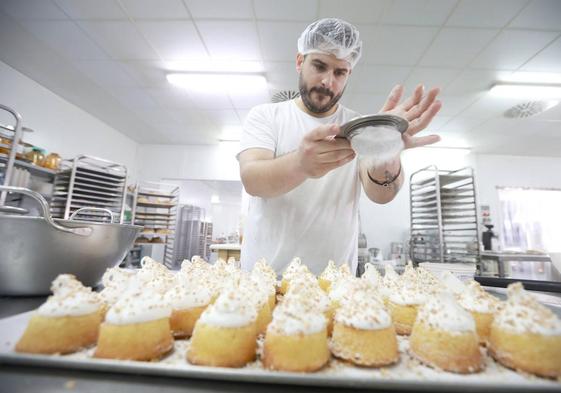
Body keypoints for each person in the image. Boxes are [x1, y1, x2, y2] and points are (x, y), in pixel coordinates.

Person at [237, 18, 442, 275]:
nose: (327, 81)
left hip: (334, 284)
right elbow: (253, 180)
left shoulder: (359, 127)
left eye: (339, 72)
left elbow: (382, 194)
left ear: (349, 74)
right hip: (265, 278)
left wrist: (385, 150)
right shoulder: (267, 116)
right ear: (300, 62)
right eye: (319, 66)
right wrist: (301, 164)